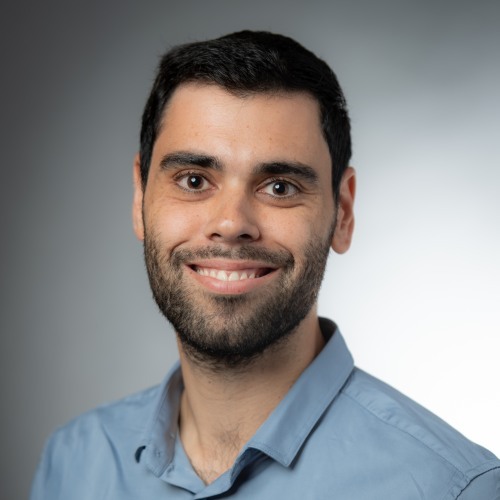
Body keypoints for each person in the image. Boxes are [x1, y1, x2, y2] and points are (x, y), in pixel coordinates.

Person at [30, 30, 500, 499]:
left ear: (343, 213)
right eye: (194, 180)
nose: (232, 223)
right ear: (139, 198)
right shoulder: (74, 462)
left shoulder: (454, 489)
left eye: (279, 187)